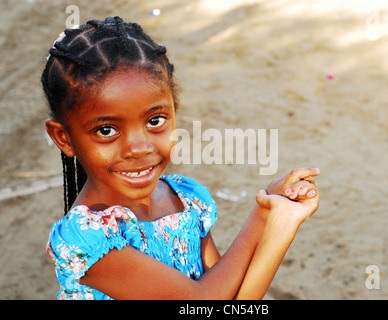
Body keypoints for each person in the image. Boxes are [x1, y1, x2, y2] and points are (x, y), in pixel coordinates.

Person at [42, 17, 320, 300]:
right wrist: (280, 227)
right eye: (106, 130)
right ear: (63, 138)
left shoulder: (184, 198)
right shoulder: (87, 240)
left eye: (155, 120)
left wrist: (266, 212)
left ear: (174, 111)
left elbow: (231, 296)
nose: (139, 148)